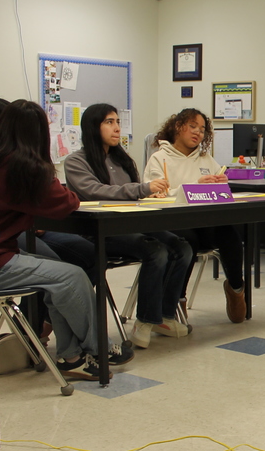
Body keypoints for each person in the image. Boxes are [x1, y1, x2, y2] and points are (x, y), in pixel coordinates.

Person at [0, 100, 134, 381]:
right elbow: (66, 203)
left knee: (58, 275)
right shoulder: (20, 165)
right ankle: (100, 349)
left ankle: (71, 355)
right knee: (71, 276)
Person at [65, 104, 193, 348]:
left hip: (131, 224)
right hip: (99, 231)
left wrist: (148, 196)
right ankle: (145, 320)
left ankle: (164, 316)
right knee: (156, 251)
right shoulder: (76, 162)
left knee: (182, 247)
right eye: (109, 122)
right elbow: (95, 191)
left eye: (117, 122)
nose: (116, 128)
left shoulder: (122, 160)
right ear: (93, 127)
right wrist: (142, 189)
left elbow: (134, 194)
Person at [0, 97, 97, 283]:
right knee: (68, 274)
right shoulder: (16, 165)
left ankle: (37, 312)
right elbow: (67, 202)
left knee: (80, 255)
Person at [142, 108, 246, 323]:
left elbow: (220, 186)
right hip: (172, 224)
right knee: (187, 239)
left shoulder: (206, 159)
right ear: (178, 127)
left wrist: (221, 184)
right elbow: (155, 194)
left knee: (230, 231)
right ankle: (177, 299)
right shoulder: (159, 158)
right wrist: (193, 187)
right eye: (192, 127)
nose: (198, 133)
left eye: (202, 130)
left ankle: (236, 288)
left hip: (204, 221)